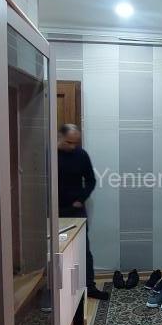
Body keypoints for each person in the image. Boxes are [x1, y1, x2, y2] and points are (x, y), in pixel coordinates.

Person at [58, 124, 108, 300]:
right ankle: (58, 292)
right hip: (53, 212)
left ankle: (89, 287)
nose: (73, 146)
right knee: (56, 252)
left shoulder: (81, 155)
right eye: (69, 142)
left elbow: (91, 180)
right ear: (59, 137)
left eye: (75, 142)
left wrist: (81, 199)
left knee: (83, 249)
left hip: (76, 211)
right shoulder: (48, 154)